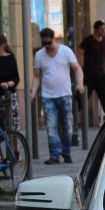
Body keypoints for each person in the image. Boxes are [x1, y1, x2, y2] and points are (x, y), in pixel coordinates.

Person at [33, 27, 84, 165]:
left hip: (65, 94)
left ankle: (66, 152)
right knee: (51, 126)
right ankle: (54, 154)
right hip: (48, 95)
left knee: (67, 125)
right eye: (44, 44)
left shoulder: (65, 51)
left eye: (49, 43)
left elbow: (77, 68)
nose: (47, 46)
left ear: (53, 39)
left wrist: (80, 84)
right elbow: (37, 76)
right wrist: (33, 91)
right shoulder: (39, 55)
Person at [77, 20, 105, 120]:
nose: (103, 31)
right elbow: (80, 53)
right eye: (101, 29)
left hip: (101, 74)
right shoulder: (88, 40)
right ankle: (74, 114)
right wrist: (80, 69)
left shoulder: (104, 40)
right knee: (82, 97)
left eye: (104, 29)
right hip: (89, 74)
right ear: (96, 29)